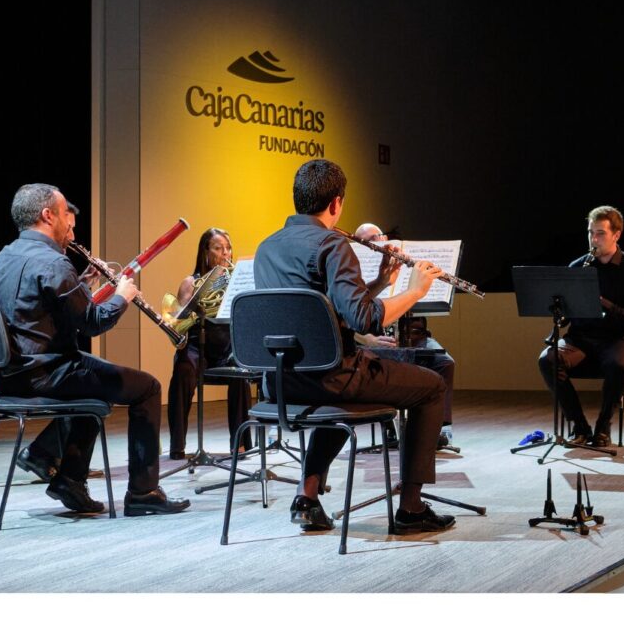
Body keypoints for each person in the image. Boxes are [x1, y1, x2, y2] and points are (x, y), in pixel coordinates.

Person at [254, 159, 455, 533]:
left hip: (280, 382)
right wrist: (414, 291)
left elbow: (326, 313)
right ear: (336, 203)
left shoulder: (267, 248)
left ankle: (307, 497)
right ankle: (411, 508)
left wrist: (377, 284)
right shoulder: (333, 244)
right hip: (330, 378)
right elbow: (365, 320)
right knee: (431, 386)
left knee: (340, 397)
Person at [0, 183, 190, 516]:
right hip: (46, 374)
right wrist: (122, 295)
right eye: (65, 216)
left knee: (97, 389)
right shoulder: (53, 262)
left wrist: (81, 286)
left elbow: (33, 309)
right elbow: (92, 323)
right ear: (48, 216)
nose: (71, 225)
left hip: (7, 378)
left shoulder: (3, 258)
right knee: (147, 387)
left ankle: (68, 480)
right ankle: (143, 493)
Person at [537, 205, 624, 448]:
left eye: (600, 233)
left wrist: (602, 303)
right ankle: (579, 426)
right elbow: (567, 318)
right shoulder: (579, 267)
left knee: (619, 364)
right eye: (590, 233)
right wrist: (561, 308)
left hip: (616, 339)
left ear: (616, 235)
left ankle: (602, 427)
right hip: (581, 339)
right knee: (548, 359)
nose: (593, 239)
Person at [352, 223, 457, 449]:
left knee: (444, 362)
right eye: (365, 241)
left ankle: (437, 429)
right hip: (377, 339)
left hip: (414, 335)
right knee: (383, 367)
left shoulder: (406, 261)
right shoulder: (353, 271)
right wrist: (367, 339)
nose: (375, 243)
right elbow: (347, 318)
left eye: (377, 237)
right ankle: (390, 426)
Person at [167, 227, 253, 459]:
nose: (225, 253)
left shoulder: (236, 282)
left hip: (225, 347)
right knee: (184, 368)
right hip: (197, 347)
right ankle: (177, 446)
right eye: (218, 248)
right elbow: (179, 321)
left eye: (228, 248)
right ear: (205, 252)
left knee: (240, 369)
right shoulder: (190, 282)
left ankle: (240, 444)